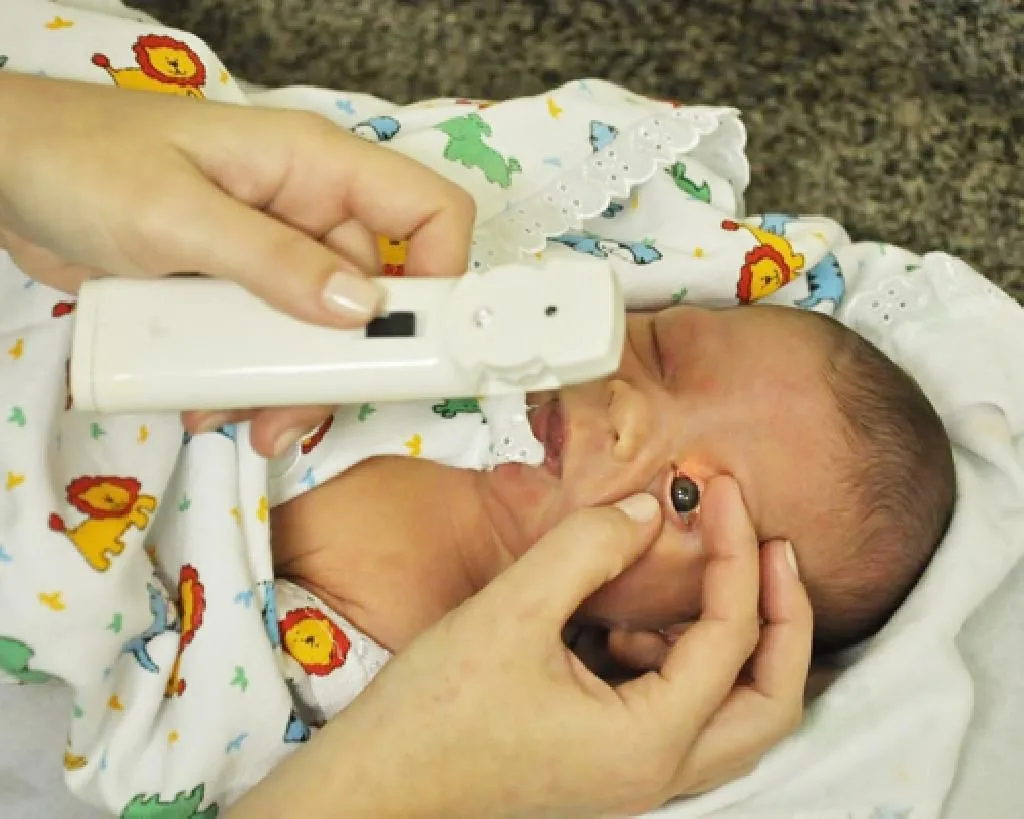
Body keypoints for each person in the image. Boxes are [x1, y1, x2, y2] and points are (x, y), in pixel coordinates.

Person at [0, 63, 812, 819]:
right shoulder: (511, 292)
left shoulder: (399, 677)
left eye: (684, 498)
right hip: (83, 232)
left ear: (669, 637)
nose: (630, 408)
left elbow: (166, 744)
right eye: (665, 353)